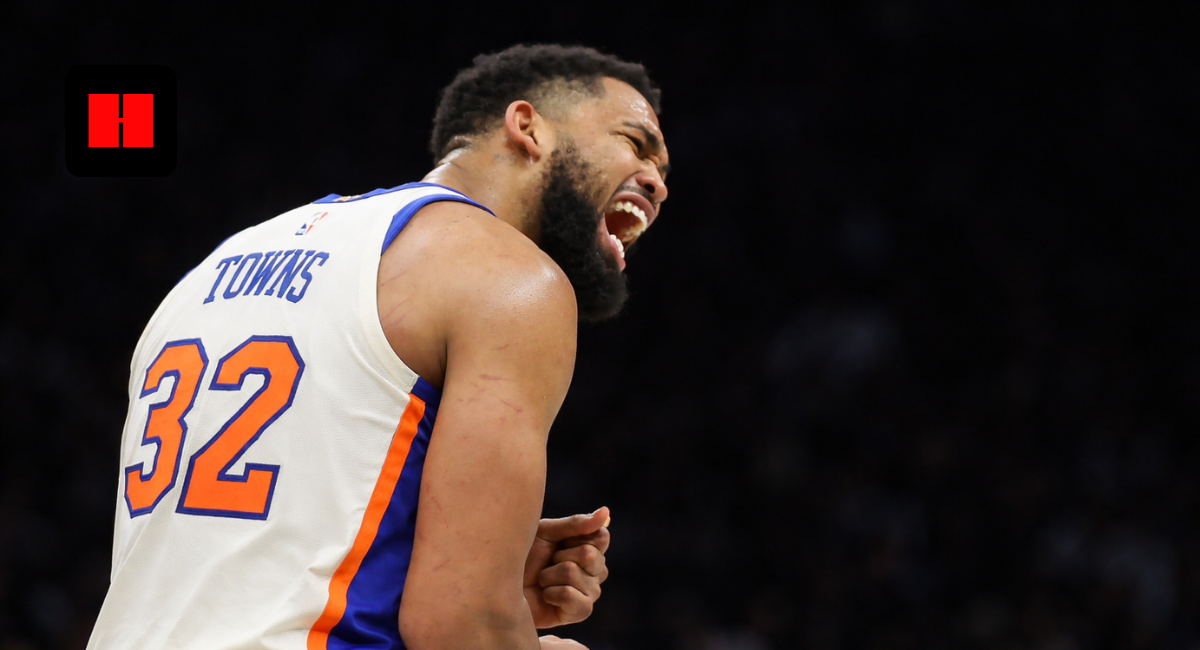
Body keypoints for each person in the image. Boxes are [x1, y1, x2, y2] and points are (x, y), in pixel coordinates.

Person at [86, 44, 670, 650]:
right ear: (527, 127)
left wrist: (459, 564)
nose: (657, 183)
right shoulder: (512, 278)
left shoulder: (212, 268)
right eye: (635, 143)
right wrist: (502, 620)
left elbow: (244, 554)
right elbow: (460, 625)